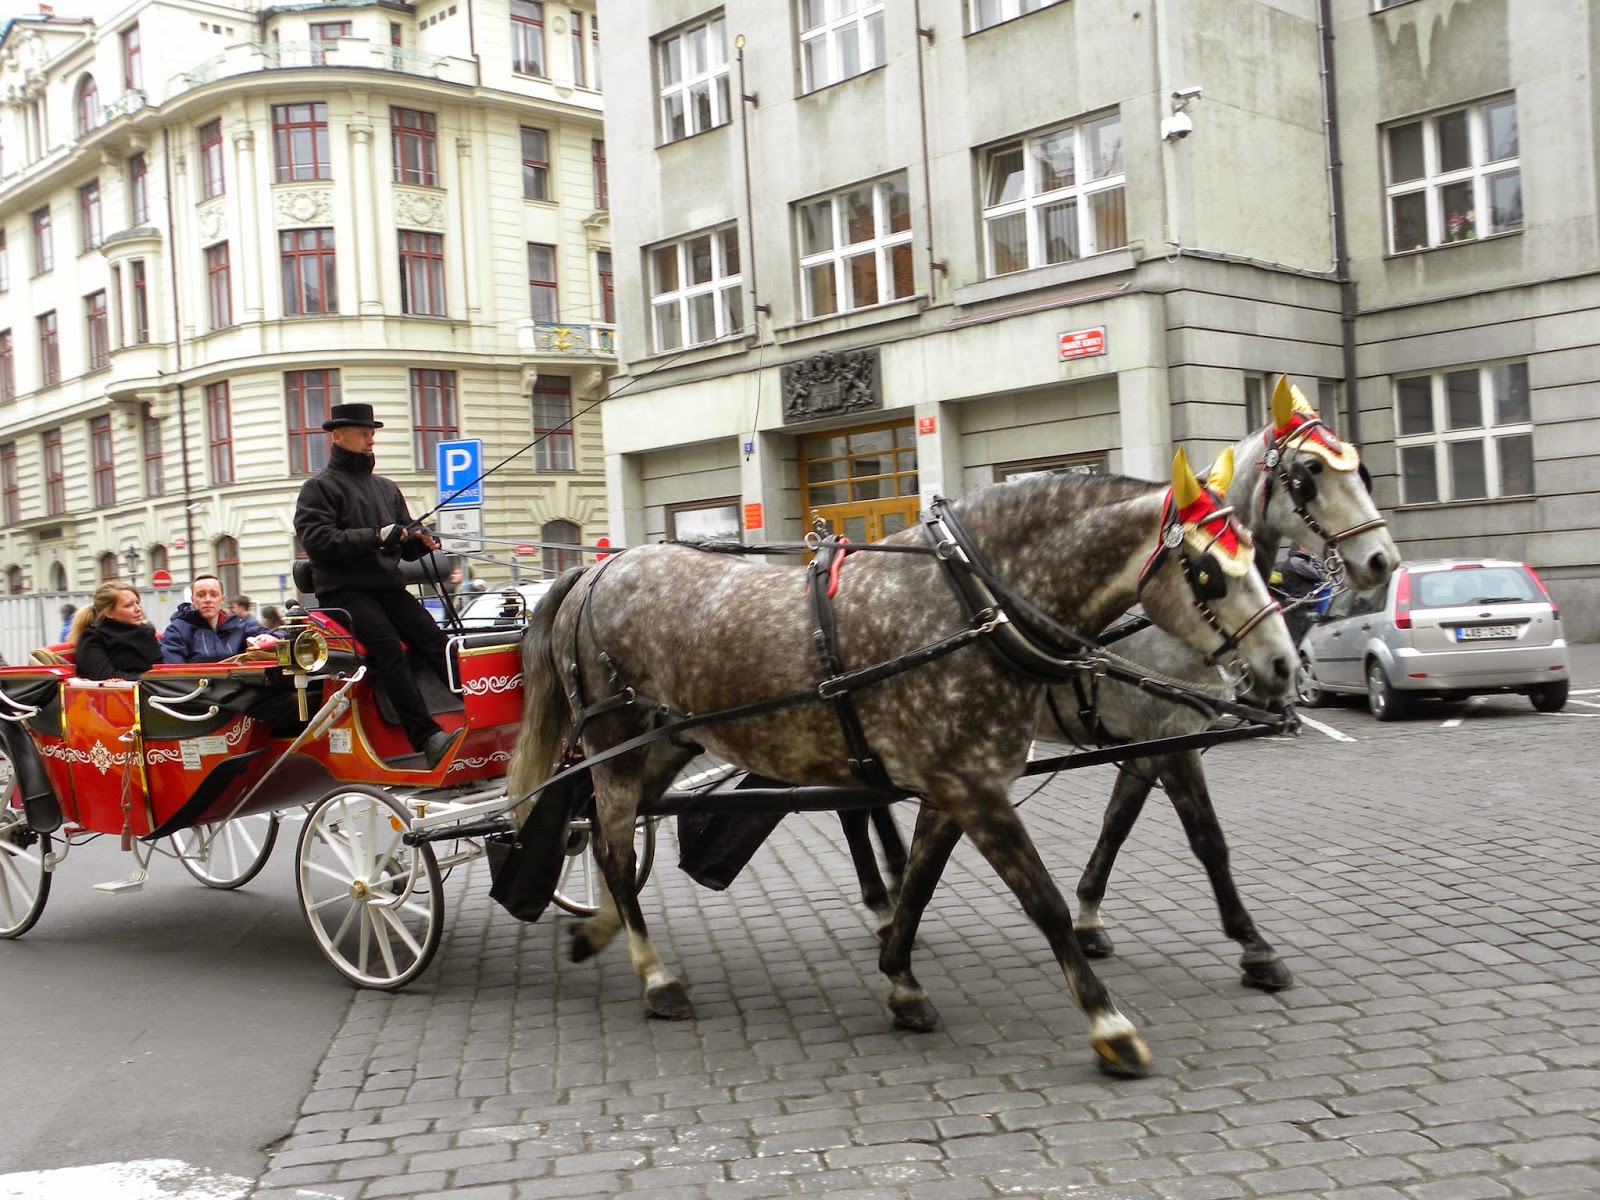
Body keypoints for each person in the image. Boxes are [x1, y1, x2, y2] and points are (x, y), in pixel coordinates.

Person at [293, 402, 459, 769]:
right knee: (388, 650)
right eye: (363, 434)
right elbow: (318, 541)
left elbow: (404, 540)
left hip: (387, 586)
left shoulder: (385, 488)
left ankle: (477, 709)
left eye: (372, 434)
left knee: (437, 641)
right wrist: (376, 535)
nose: (371, 440)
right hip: (345, 590)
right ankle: (427, 736)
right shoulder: (318, 488)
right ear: (338, 436)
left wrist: (420, 540)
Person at [161, 574, 268, 663]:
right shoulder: (177, 631)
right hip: (196, 683)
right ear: (192, 600)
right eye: (201, 595)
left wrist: (267, 638)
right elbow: (172, 672)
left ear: (222, 599)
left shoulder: (239, 627)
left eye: (214, 594)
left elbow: (274, 635)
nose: (208, 600)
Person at [67, 581, 162, 681]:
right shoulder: (93, 637)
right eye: (128, 605)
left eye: (137, 603)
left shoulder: (146, 632)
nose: (138, 609)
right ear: (109, 613)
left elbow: (161, 668)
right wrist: (151, 680)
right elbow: (103, 676)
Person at [1276, 544, 1328, 645]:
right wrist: (1316, 560)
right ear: (1302, 547)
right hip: (1303, 605)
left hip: (1298, 603)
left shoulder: (1292, 561)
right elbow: (1318, 575)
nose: (1311, 549)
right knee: (1303, 637)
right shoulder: (1298, 562)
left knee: (1298, 635)